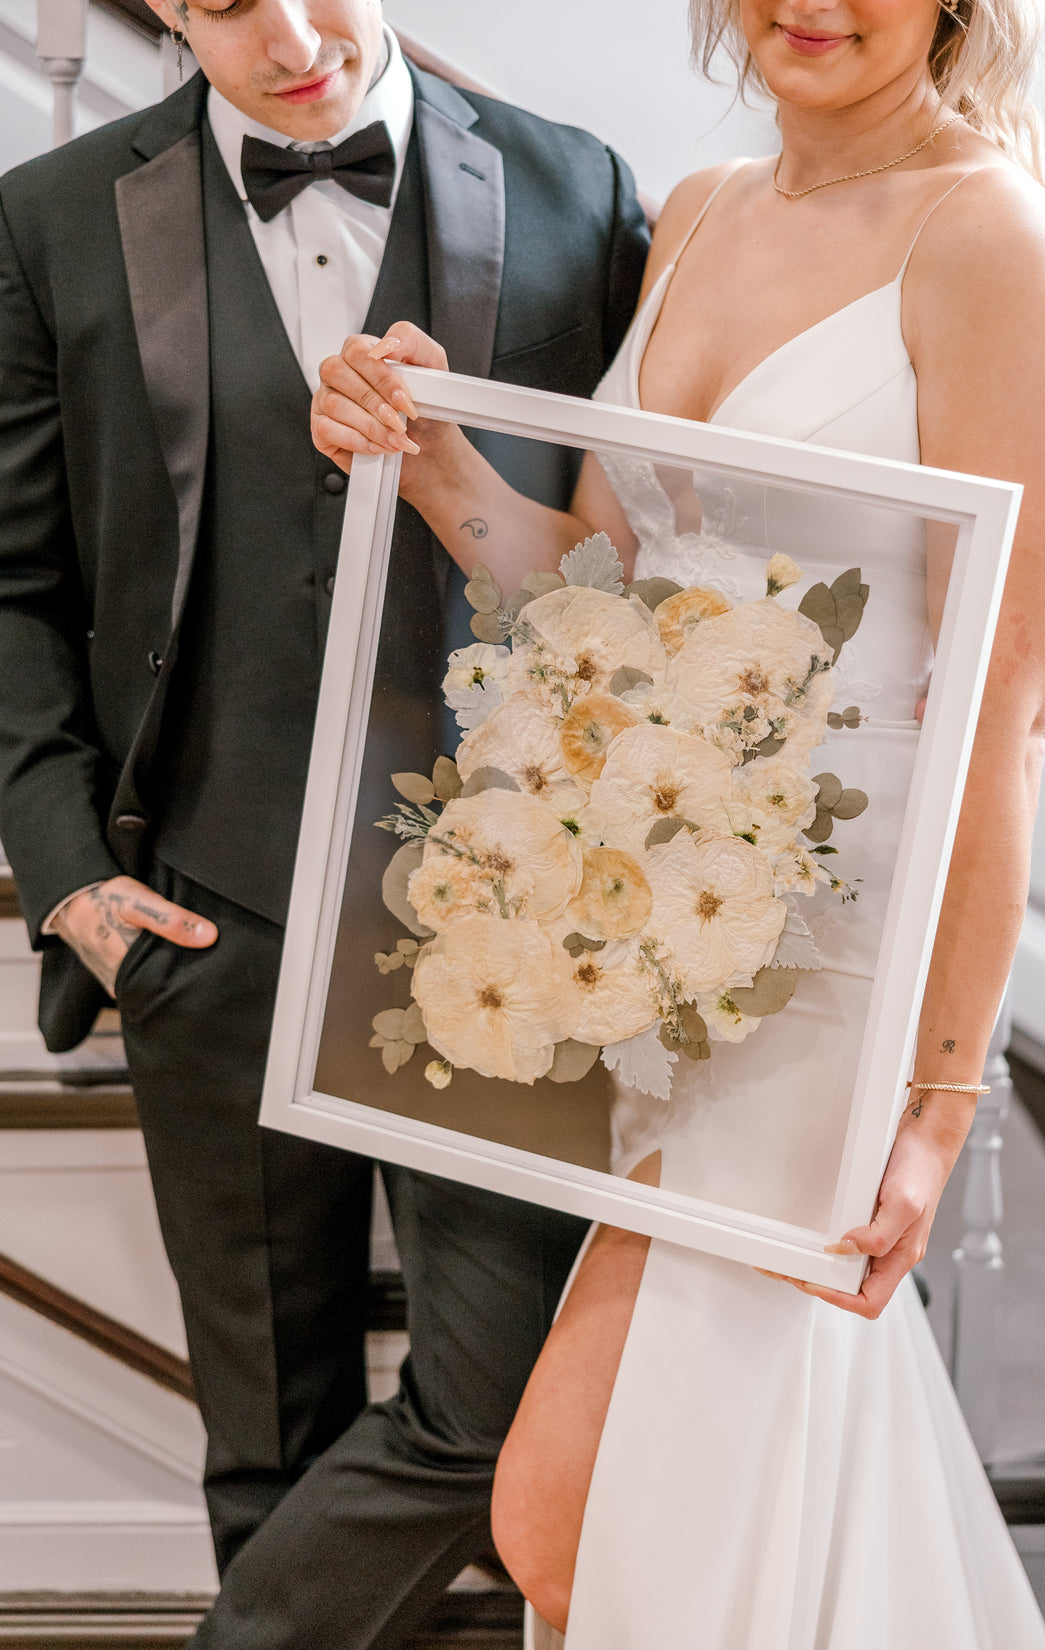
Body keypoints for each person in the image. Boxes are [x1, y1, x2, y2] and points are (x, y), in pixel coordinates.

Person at [314, 0, 1045, 1644]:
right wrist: (430, 449)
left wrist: (940, 1099)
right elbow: (597, 594)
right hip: (675, 948)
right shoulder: (703, 209)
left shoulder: (996, 242)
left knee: (579, 1507)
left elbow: (1006, 714)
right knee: (704, 1499)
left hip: (840, 962)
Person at [0, 4, 649, 1644]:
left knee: (491, 1413)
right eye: (223, 3)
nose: (291, 35)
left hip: (514, 924)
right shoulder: (56, 215)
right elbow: (13, 586)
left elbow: (651, 550)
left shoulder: (586, 191)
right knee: (262, 1441)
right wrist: (70, 874)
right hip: (206, 912)